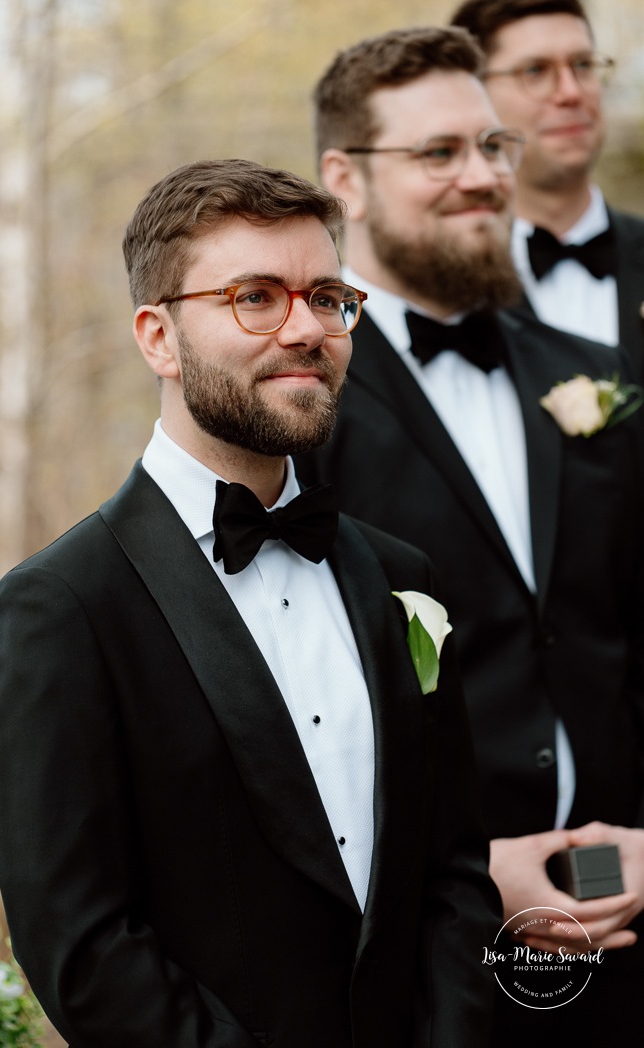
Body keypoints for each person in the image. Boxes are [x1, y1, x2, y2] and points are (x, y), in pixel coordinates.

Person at [0, 158, 499, 1048]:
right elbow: (82, 943)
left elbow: (454, 873)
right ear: (158, 338)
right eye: (255, 296)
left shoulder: (401, 576)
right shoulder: (60, 608)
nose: (306, 328)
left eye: (327, 296)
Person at [297, 25, 644, 1044]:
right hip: (431, 953)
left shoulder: (597, 375)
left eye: (492, 148)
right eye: (438, 153)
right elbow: (291, 697)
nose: (482, 176)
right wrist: (467, 863)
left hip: (630, 927)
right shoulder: (301, 404)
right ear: (344, 181)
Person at [450, 0, 644, 371]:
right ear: (475, 93)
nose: (571, 92)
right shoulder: (443, 284)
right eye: (536, 70)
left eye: (583, 65)